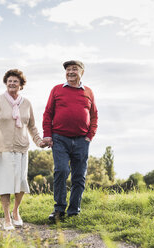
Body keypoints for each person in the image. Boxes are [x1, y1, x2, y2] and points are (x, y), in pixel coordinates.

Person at [0, 69, 45, 230]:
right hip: (2, 149)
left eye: (15, 81)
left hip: (21, 148)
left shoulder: (26, 103)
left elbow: (32, 126)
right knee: (5, 184)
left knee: (21, 183)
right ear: (6, 83)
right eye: (9, 81)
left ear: (21, 85)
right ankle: (6, 219)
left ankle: (16, 210)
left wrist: (39, 141)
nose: (12, 83)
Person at [42, 60, 98, 221]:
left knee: (79, 176)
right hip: (60, 138)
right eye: (68, 69)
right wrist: (47, 134)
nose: (71, 72)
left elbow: (94, 115)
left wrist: (89, 136)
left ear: (82, 72)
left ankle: (74, 211)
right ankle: (59, 209)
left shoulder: (88, 92)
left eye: (74, 69)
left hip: (82, 140)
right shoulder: (57, 89)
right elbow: (48, 113)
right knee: (61, 170)